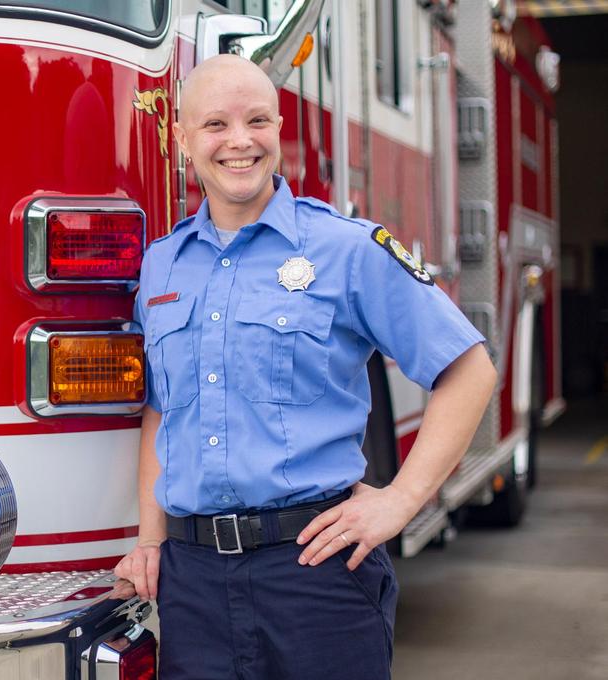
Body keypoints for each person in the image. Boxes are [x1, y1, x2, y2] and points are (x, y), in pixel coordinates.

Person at [113, 54, 497, 679]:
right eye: (215, 124)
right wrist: (151, 541)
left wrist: (400, 502)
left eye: (257, 120)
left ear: (279, 128)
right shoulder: (161, 266)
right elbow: (162, 411)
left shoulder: (346, 249)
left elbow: (469, 368)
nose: (239, 141)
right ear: (182, 139)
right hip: (194, 588)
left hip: (316, 577)